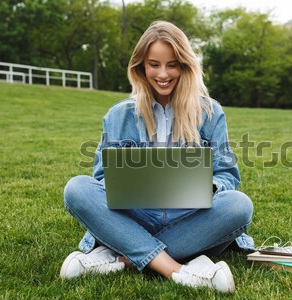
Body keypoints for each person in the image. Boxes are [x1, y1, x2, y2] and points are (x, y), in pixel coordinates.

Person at [60, 20, 254, 293]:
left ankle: (123, 257)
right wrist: (123, 185)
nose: (163, 74)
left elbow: (227, 175)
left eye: (172, 64)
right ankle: (178, 269)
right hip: (135, 215)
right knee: (76, 188)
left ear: (185, 66)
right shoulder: (118, 115)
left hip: (189, 216)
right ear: (140, 67)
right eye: (154, 64)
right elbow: (102, 178)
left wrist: (209, 187)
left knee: (239, 205)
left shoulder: (210, 112)